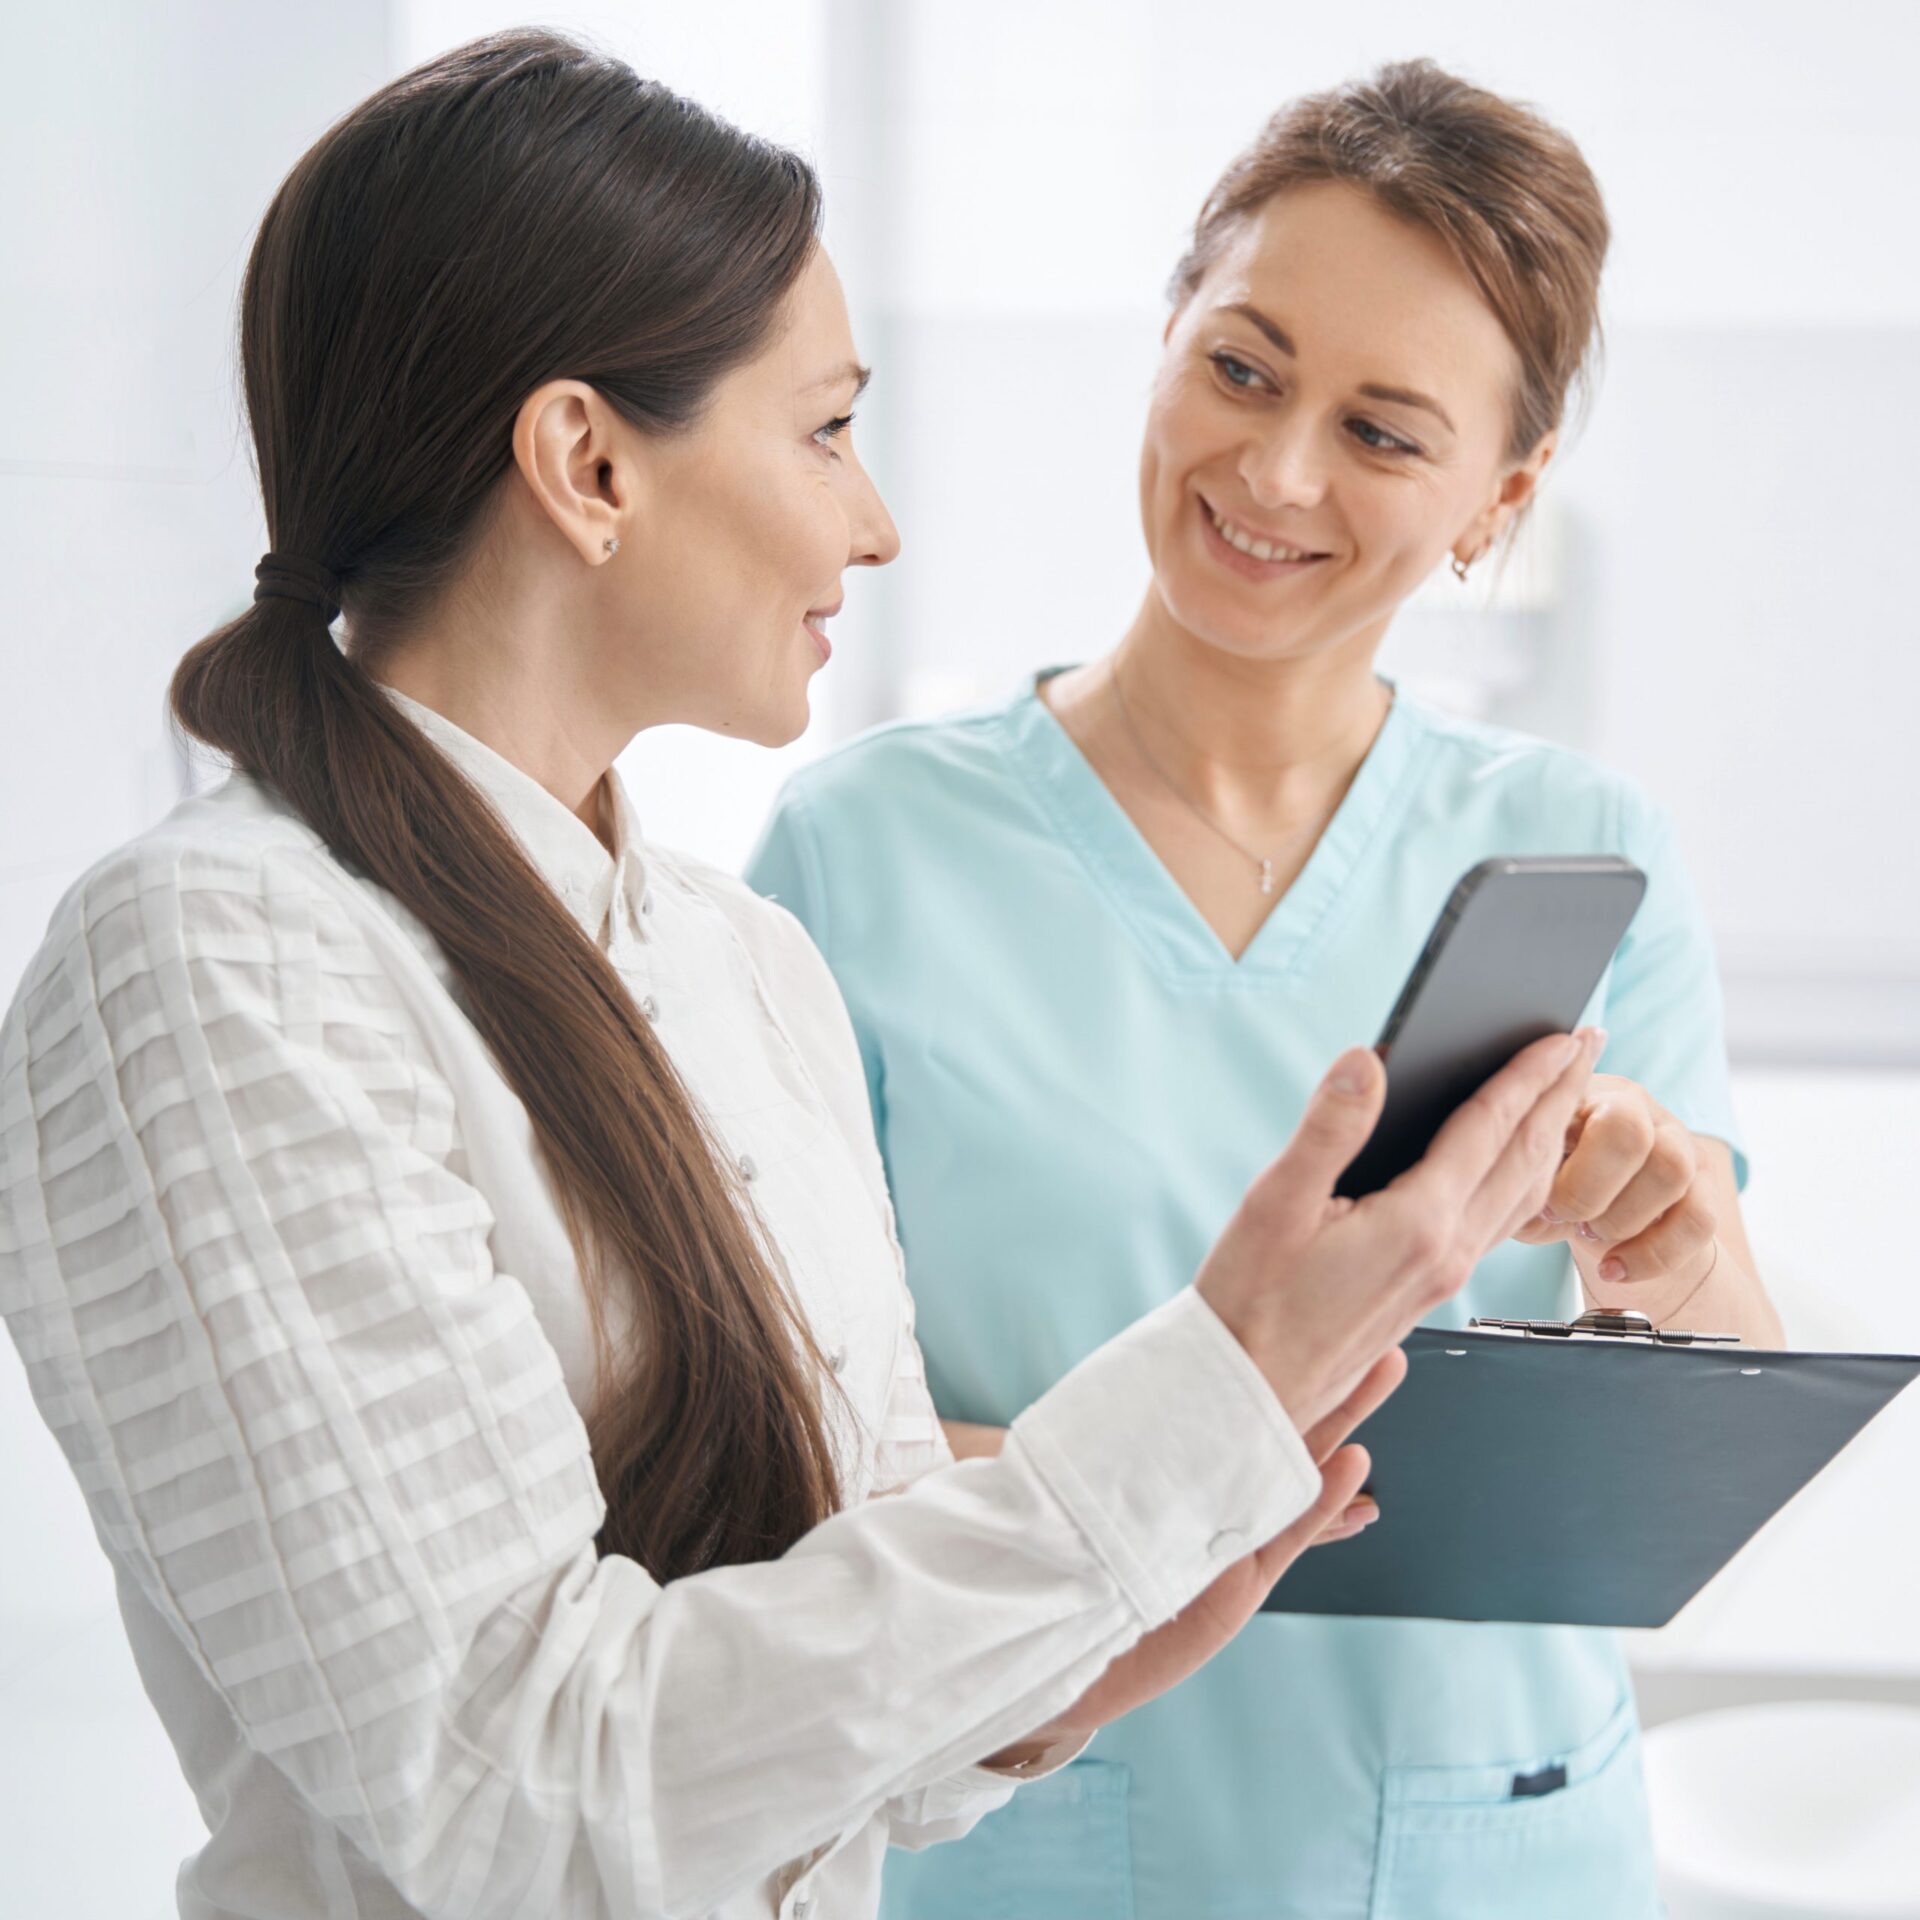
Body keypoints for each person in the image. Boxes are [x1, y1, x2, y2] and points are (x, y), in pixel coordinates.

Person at [0, 31, 1606, 1920]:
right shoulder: (217, 966)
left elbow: (824, 1644)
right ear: (590, 463)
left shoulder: (739, 965)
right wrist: (1216, 1382)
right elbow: (526, 1791)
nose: (876, 521)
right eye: (827, 429)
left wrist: (1075, 1667)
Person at [746, 58, 1786, 1920]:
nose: (1278, 472)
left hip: (1490, 1853)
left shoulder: (1579, 849)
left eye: (1383, 433)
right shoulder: (859, 856)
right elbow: (779, 1449)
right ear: (1165, 339)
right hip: (1034, 1848)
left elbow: (1704, 1436)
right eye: (1241, 368)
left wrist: (1673, 1239)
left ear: (1498, 498)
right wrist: (1206, 1459)